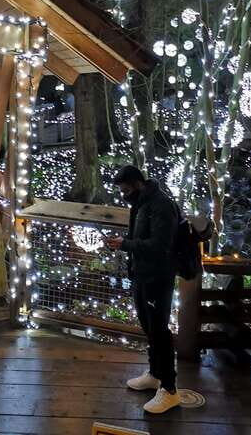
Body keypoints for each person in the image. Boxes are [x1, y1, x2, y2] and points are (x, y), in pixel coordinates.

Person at [107, 165, 180, 414]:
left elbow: (160, 245)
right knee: (149, 328)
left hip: (158, 277)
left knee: (159, 330)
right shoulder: (141, 204)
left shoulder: (161, 205)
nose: (123, 195)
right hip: (142, 275)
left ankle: (169, 389)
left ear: (138, 184)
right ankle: (155, 374)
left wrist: (126, 245)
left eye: (126, 190)